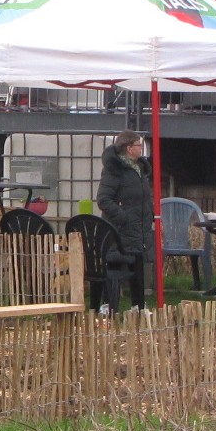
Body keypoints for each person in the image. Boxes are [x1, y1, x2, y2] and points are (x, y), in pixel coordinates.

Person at [96, 130, 153, 315]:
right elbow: (104, 199)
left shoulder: (139, 170)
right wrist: (124, 217)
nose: (141, 149)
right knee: (114, 265)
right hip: (119, 228)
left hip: (138, 227)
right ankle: (108, 305)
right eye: (138, 145)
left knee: (137, 264)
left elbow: (142, 198)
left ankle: (138, 306)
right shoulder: (115, 170)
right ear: (129, 148)